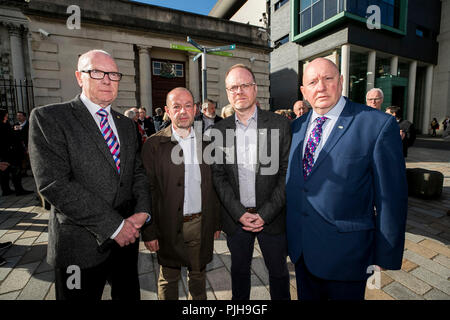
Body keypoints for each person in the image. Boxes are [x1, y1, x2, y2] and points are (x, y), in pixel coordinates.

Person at [28, 49, 152, 300]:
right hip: (80, 247)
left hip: (127, 243)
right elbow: (55, 184)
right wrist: (115, 226)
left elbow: (137, 172)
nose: (107, 80)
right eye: (97, 72)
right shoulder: (50, 118)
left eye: (114, 74)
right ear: (78, 77)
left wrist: (143, 210)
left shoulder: (127, 125)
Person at [286, 58, 407, 300]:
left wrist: (385, 253)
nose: (320, 87)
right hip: (302, 251)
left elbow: (391, 197)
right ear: (303, 91)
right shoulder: (295, 128)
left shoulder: (376, 125)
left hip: (347, 255)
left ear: (341, 82)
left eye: (328, 79)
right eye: (312, 82)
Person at [211, 64, 291, 300]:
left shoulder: (280, 124)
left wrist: (265, 214)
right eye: (233, 87)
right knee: (239, 273)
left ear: (255, 89)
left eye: (245, 85)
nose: (239, 91)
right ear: (227, 92)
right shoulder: (219, 130)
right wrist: (238, 213)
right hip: (237, 220)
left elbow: (287, 173)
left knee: (278, 274)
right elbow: (218, 175)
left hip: (273, 218)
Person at [141, 87, 220, 300]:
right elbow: (146, 190)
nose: (182, 111)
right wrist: (149, 231)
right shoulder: (153, 145)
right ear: (167, 110)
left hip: (199, 223)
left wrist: (216, 223)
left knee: (198, 276)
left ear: (195, 109)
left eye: (187, 106)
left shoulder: (208, 144)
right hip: (166, 225)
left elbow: (215, 187)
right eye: (176, 106)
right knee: (169, 278)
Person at [0, 109, 32, 196]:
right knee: (14, 172)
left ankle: (7, 190)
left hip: (9, 152)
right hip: (9, 153)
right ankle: (18, 190)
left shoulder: (6, 124)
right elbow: (11, 137)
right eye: (6, 115)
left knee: (6, 172)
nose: (7, 117)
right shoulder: (4, 126)